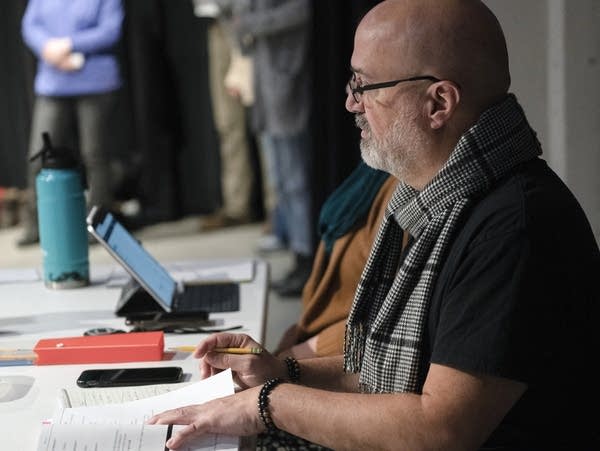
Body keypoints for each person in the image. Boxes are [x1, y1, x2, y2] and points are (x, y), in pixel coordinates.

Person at [149, 1, 600, 450]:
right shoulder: (436, 201)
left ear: (438, 103)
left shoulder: (514, 228)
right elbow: (392, 377)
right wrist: (281, 372)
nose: (350, 103)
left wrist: (266, 405)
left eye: (364, 85)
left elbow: (439, 429)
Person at [19, 0, 124, 246]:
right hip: (54, 81)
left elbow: (111, 30)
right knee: (38, 154)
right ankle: (36, 225)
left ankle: (97, 226)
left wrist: (70, 45)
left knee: (95, 155)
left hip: (95, 79)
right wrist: (48, 47)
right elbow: (30, 25)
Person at [231, 0, 316, 297]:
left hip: (288, 82)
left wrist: (253, 22)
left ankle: (308, 258)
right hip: (265, 88)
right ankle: (297, 251)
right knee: (280, 180)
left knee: (296, 180)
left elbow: (302, 11)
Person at [275, 162, 397, 359]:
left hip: (344, 356)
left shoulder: (404, 193)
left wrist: (290, 360)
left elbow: (382, 324)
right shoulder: (373, 176)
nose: (360, 128)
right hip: (322, 341)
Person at [192, 0, 255, 230]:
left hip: (247, 21)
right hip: (217, 23)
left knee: (265, 121)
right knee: (227, 123)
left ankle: (279, 212)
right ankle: (236, 207)